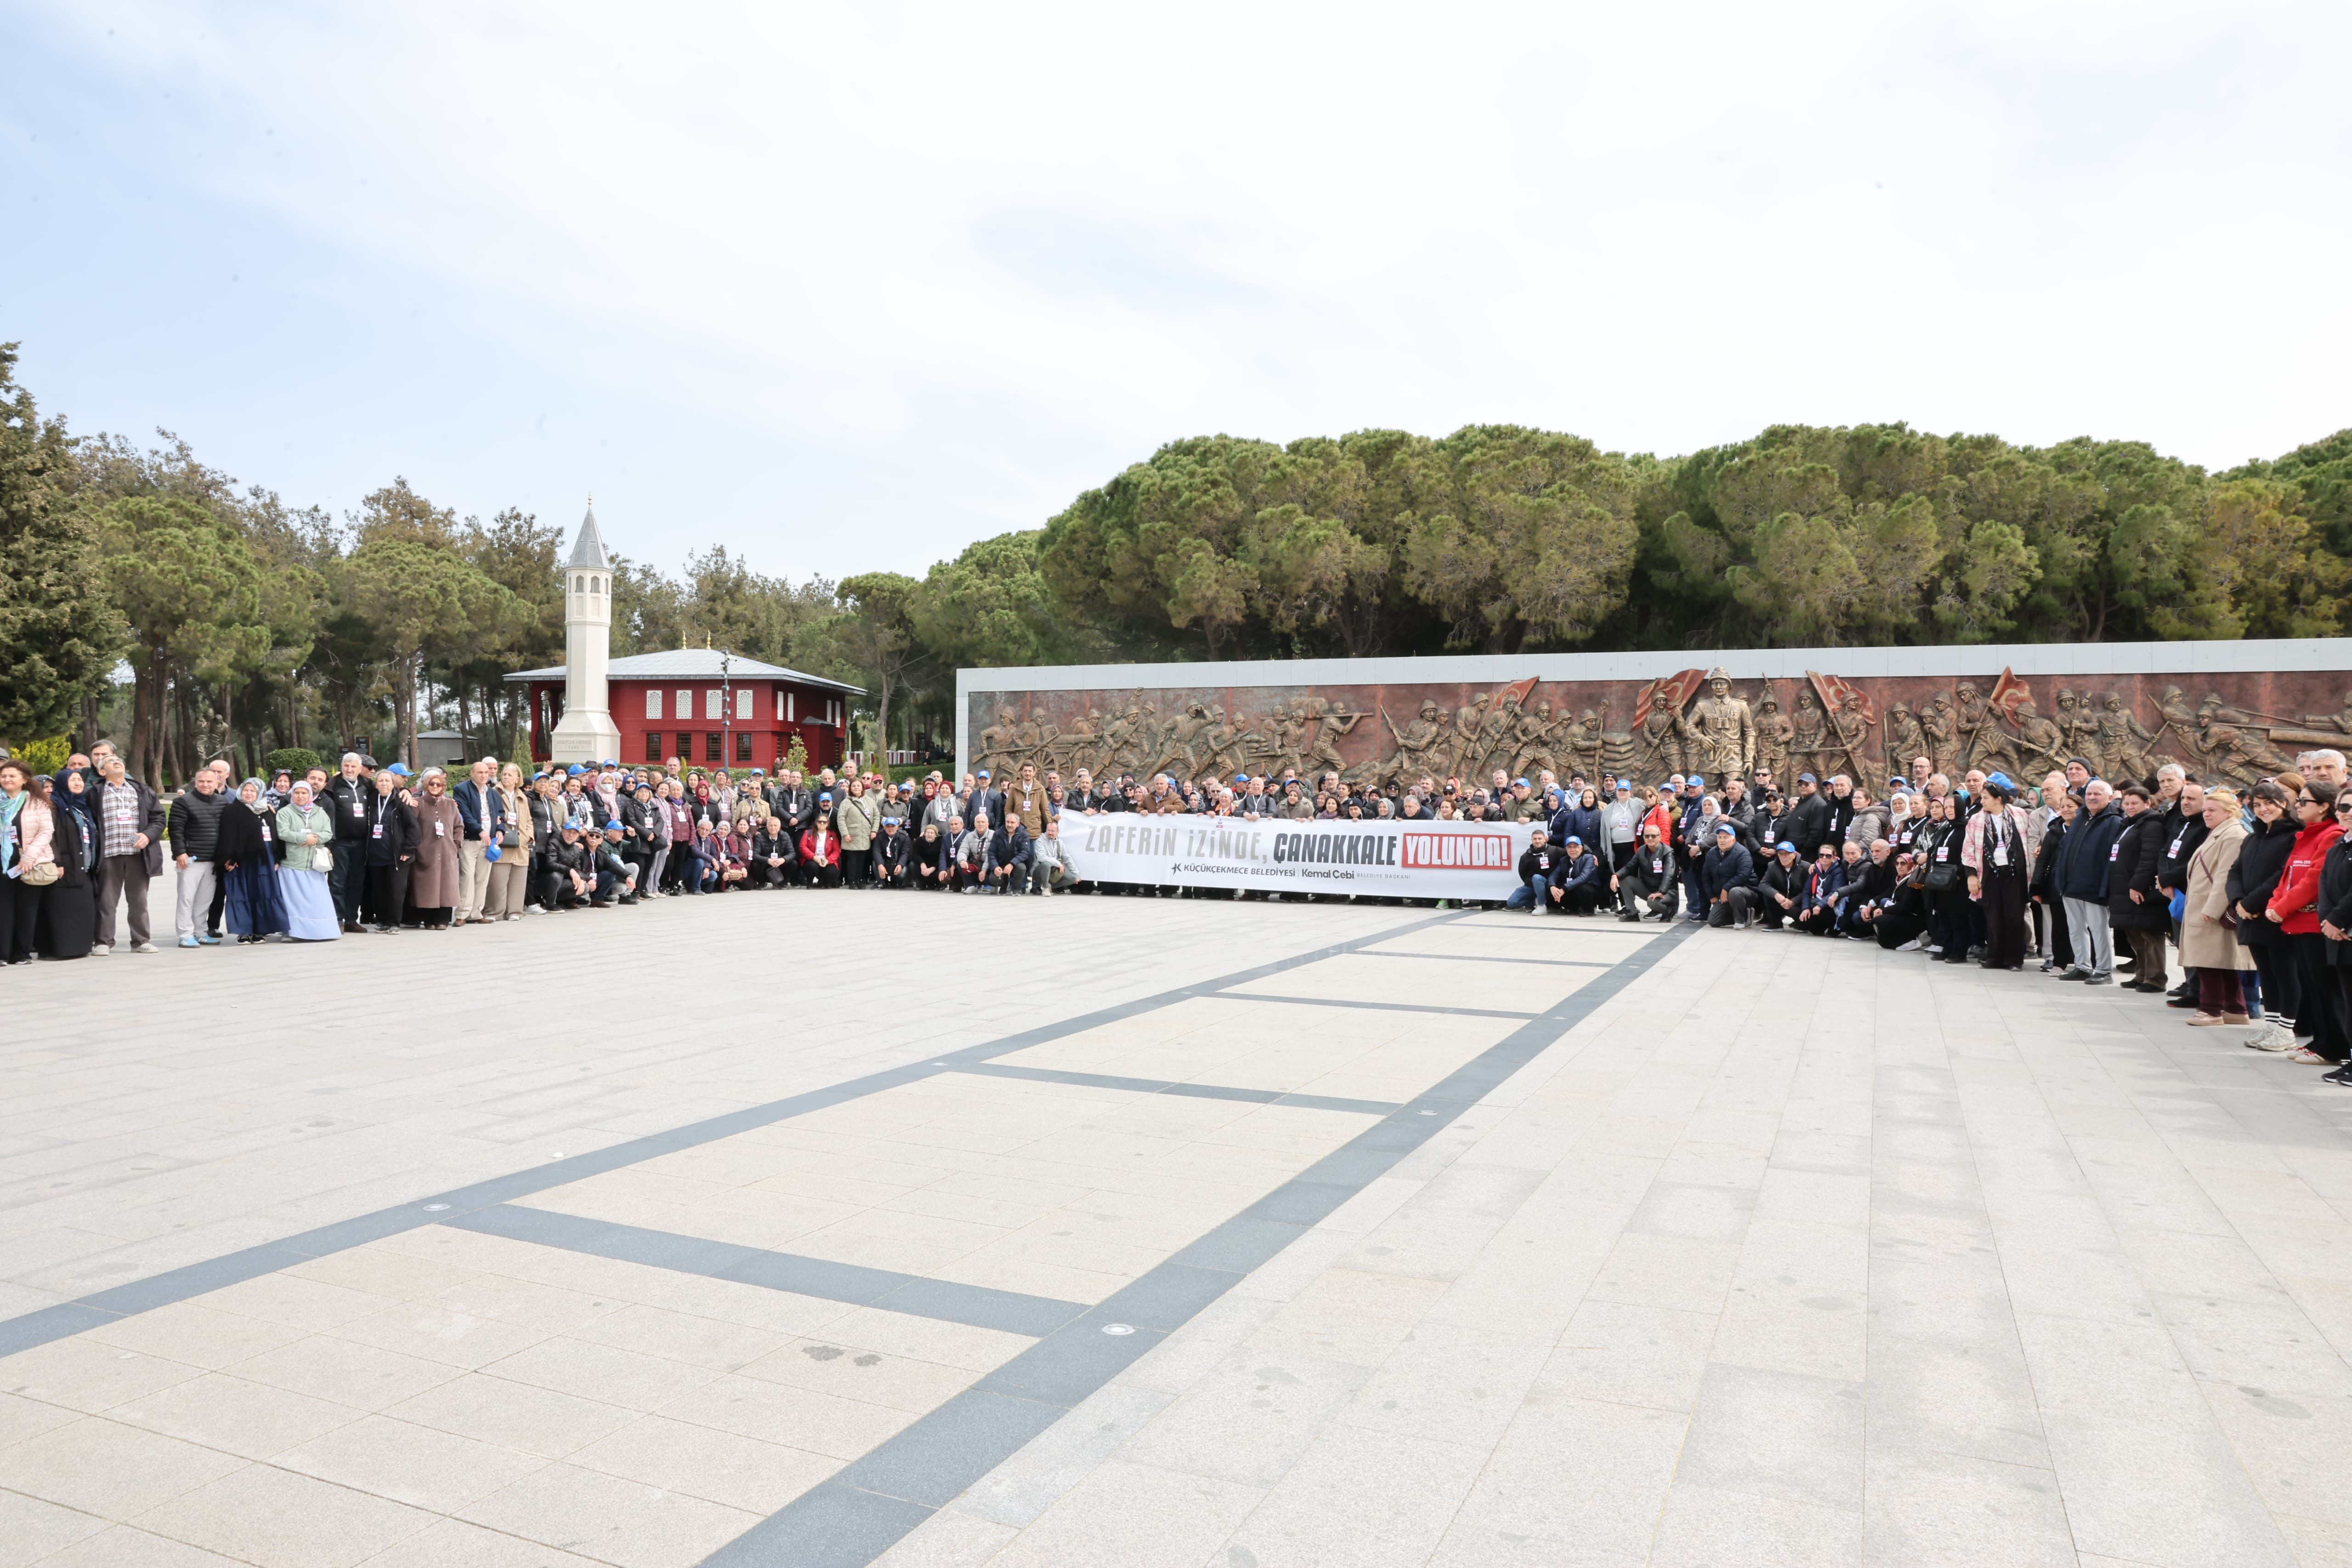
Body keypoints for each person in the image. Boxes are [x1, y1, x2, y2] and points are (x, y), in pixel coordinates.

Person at [2269, 781, 2347, 1065]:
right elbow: (2288, 875)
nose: (2297, 806)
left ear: (2324, 806)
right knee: (2312, 986)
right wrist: (2274, 904)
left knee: (2324, 988)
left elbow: (2313, 881)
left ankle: (2332, 1045)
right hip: (2297, 922)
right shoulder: (2307, 834)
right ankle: (2321, 1040)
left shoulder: (2331, 835)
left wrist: (2282, 908)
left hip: (2315, 924)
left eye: (2304, 801)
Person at [2232, 777, 2303, 1051]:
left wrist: (2252, 902)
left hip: (2274, 915)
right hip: (2250, 915)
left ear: (2283, 804)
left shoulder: (2293, 836)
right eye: (2258, 804)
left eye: (2269, 803)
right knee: (2268, 974)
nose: (2263, 809)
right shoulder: (2253, 837)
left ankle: (2287, 1031)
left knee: (2286, 974)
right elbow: (2235, 871)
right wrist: (2239, 900)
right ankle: (2271, 1026)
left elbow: (2282, 875)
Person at [2179, 788, 2250, 1025]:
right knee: (2222, 961)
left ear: (2229, 812)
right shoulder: (2219, 832)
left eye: (2212, 810)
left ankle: (2211, 1010)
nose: (2206, 814)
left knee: (2209, 961)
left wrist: (2213, 908)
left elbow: (2225, 876)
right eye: (2206, 810)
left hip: (2210, 906)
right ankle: (2235, 1009)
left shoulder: (2232, 835)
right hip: (2203, 902)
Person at [89, 752, 164, 956]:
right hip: (109, 855)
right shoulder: (94, 793)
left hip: (137, 854)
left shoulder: (142, 791)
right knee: (106, 901)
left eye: (119, 760)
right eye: (111, 762)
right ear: (102, 772)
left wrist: (148, 836)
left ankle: (141, 940)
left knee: (139, 900)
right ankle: (103, 942)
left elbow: (159, 818)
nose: (117, 762)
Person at [2056, 779, 2124, 984]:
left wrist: (2105, 886)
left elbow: (2111, 858)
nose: (2092, 798)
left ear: (2111, 798)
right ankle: (2082, 966)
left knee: (2099, 929)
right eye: (2090, 794)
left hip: (2093, 887)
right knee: (2075, 929)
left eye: (2098, 794)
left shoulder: (2114, 822)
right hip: (2070, 885)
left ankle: (2104, 971)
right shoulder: (2080, 818)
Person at [2108, 782, 2171, 994]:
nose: (2130, 807)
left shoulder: (2151, 825)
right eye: (2126, 803)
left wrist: (2137, 885)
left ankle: (2155, 979)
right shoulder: (2129, 825)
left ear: (2148, 803)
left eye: (2135, 803)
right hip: (2125, 888)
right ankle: (2141, 974)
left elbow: (2150, 858)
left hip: (2141, 889)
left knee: (2150, 935)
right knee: (2135, 935)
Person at [1964, 777, 2032, 969]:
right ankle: (1995, 957)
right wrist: (1971, 875)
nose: (1982, 801)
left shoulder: (2020, 815)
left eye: (1986, 798)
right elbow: (1968, 848)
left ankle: (2014, 960)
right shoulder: (1977, 820)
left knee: (2014, 917)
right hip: (1989, 874)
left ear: (1999, 799)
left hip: (2014, 873)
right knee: (1993, 917)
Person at [217, 778, 290, 944]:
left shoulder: (267, 811)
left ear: (260, 794)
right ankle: (244, 932)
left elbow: (276, 836)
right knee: (242, 894)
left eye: (253, 791)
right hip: (241, 861)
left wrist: (277, 858)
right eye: (246, 790)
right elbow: (228, 836)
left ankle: (259, 930)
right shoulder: (232, 811)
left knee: (263, 893)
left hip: (264, 860)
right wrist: (230, 858)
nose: (249, 794)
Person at [170, 765, 229, 948]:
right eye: (201, 781)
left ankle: (201, 932)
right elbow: (176, 829)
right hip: (190, 860)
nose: (205, 784)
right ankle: (185, 934)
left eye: (209, 781)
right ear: (196, 782)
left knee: (205, 900)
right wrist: (180, 852)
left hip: (213, 861)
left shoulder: (222, 802)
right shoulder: (183, 802)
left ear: (217, 782)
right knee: (186, 899)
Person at [273, 781, 341, 941]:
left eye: (304, 793)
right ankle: (292, 932)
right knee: (293, 902)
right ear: (292, 795)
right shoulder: (285, 812)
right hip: (292, 863)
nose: (300, 796)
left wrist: (314, 839)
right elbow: (282, 833)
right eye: (297, 793)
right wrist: (303, 838)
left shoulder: (320, 812)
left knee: (316, 902)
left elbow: (328, 833)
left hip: (314, 865)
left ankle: (321, 931)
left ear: (310, 795)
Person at [324, 752, 373, 931]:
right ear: (341, 767)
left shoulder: (367, 785)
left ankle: (352, 919)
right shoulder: (332, 786)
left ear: (360, 769)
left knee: (356, 882)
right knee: (337, 882)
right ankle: (337, 918)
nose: (350, 769)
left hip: (361, 843)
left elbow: (388, 791)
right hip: (340, 843)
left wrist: (405, 792)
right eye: (346, 766)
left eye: (354, 766)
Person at [364, 765, 417, 932]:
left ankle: (394, 923)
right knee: (379, 891)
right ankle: (382, 921)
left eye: (388, 781)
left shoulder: (401, 802)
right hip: (375, 855)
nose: (384, 784)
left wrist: (408, 850)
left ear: (394, 784)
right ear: (376, 784)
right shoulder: (370, 801)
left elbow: (413, 829)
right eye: (381, 781)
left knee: (396, 891)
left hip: (397, 856)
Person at [409, 767, 463, 928]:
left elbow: (459, 826)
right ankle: (428, 921)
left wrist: (456, 845)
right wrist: (418, 848)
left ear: (443, 787)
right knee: (427, 887)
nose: (435, 787)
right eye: (432, 784)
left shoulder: (450, 805)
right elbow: (412, 828)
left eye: (439, 785)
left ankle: (443, 920)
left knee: (446, 887)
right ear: (426, 785)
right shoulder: (418, 804)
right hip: (426, 852)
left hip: (447, 852)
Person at [1614, 824, 1677, 922]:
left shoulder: (1668, 852)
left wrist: (1661, 892)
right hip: (1648, 889)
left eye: (1653, 836)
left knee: (1652, 903)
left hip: (1667, 892)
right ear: (1643, 837)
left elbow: (1668, 875)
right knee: (1625, 880)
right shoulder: (1641, 851)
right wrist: (1616, 875)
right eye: (1647, 836)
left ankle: (1668, 911)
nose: (1650, 838)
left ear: (1660, 837)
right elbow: (1629, 867)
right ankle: (1632, 913)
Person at [1701, 822, 1756, 928]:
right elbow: (1706, 876)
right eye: (1720, 837)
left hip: (1746, 891)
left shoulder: (1742, 852)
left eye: (1726, 837)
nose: (1722, 840)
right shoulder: (1712, 853)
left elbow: (1744, 875)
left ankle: (1740, 921)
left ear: (1733, 839)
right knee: (1713, 922)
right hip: (1723, 895)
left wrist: (1726, 889)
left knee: (1735, 892)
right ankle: (1745, 914)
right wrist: (1711, 896)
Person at [1796, 842, 1844, 935]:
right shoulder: (1814, 870)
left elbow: (1835, 892)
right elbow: (1806, 892)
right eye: (1822, 855)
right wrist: (1805, 908)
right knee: (1797, 912)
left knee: (1825, 913)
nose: (1824, 858)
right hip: (1815, 902)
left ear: (1834, 858)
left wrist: (1820, 905)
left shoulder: (1839, 871)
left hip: (1830, 906)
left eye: (1828, 856)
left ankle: (1833, 928)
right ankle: (1817, 929)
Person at [1755, 840, 1804, 932]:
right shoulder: (1773, 866)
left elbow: (1807, 891)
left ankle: (1801, 924)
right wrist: (1776, 895)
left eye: (1786, 854)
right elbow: (1763, 885)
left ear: (1794, 855)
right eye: (1780, 854)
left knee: (1796, 911)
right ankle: (1775, 924)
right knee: (1768, 893)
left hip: (1797, 902)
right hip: (1782, 899)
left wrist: (1793, 902)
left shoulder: (1805, 867)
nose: (1783, 857)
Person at [1510, 828, 1560, 913]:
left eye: (1540, 839)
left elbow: (1571, 852)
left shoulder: (1554, 850)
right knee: (1512, 902)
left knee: (1537, 878)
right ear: (1532, 840)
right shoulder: (1525, 856)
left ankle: (1542, 906)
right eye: (1535, 839)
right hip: (1532, 887)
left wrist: (1588, 851)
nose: (1537, 841)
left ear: (1545, 839)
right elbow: (1522, 873)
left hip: (1548, 886)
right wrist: (1532, 884)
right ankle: (1536, 902)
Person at [1026, 817, 1080, 894]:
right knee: (1046, 864)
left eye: (1053, 831)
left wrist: (1077, 874)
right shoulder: (1040, 841)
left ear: (1058, 832)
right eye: (1048, 830)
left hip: (1054, 872)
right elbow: (1042, 857)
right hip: (1039, 872)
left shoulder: (1060, 843)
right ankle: (1045, 888)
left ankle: (1051, 886)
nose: (1050, 833)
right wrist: (1058, 864)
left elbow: (1067, 858)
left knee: (1073, 878)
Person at [801, 802, 842, 888]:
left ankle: (827, 883)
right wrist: (814, 857)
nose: (822, 824)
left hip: (826, 859)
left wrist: (828, 860)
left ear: (828, 824)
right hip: (813, 859)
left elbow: (837, 851)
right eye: (820, 822)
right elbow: (803, 847)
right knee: (811, 866)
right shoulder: (808, 833)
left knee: (832, 869)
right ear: (816, 823)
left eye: (824, 822)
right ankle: (810, 882)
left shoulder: (832, 835)